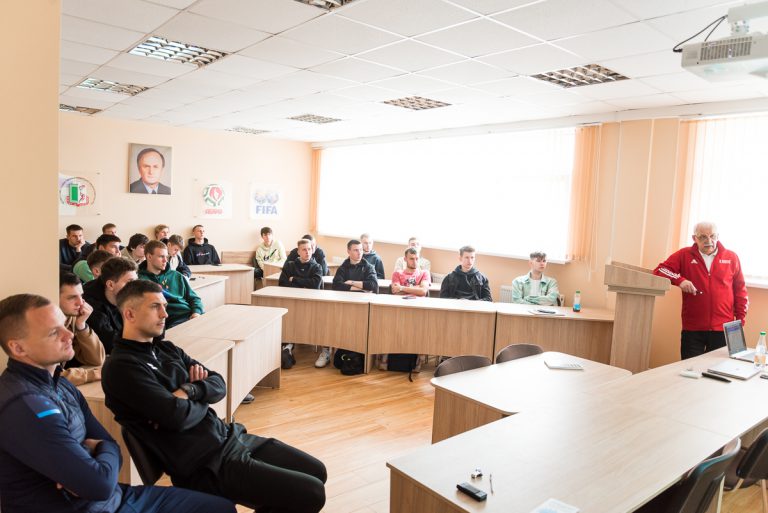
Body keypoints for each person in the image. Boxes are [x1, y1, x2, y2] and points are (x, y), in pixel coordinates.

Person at [102, 280, 327, 513]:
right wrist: (200, 397)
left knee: (317, 471)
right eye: (155, 307)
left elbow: (219, 384)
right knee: (311, 493)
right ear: (129, 314)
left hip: (228, 437)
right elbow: (176, 416)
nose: (165, 314)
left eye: (165, 306)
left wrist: (191, 391)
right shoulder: (121, 368)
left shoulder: (166, 349)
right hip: (205, 463)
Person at [0, 293, 236, 513]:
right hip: (84, 508)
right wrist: (95, 455)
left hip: (115, 498)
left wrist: (97, 451)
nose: (69, 334)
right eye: (53, 332)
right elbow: (99, 484)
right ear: (18, 348)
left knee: (219, 508)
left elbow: (111, 447)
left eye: (64, 324)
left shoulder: (62, 385)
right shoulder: (24, 405)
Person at [653, 221, 748, 359]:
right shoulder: (684, 255)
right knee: (690, 369)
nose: (709, 241)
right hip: (693, 329)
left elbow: (741, 292)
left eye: (712, 236)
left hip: (724, 328)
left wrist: (740, 321)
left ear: (718, 236)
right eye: (703, 237)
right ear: (694, 238)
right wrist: (680, 280)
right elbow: (660, 270)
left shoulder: (731, 257)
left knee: (720, 370)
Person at [316, 240, 379, 368]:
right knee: (330, 321)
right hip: (344, 306)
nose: (359, 253)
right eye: (356, 250)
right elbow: (336, 285)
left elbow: (373, 286)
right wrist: (361, 287)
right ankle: (326, 351)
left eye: (361, 250)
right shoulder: (343, 267)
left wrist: (351, 282)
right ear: (348, 251)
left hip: (362, 307)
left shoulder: (368, 267)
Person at [380, 247, 432, 371]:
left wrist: (403, 288)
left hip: (418, 310)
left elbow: (423, 291)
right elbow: (395, 292)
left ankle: (417, 360)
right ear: (405, 259)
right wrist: (416, 288)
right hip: (399, 310)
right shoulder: (397, 273)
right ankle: (387, 356)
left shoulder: (424, 273)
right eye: (411, 259)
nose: (415, 262)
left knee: (420, 331)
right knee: (390, 327)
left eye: (417, 259)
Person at [278, 239, 323, 369]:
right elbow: (283, 283)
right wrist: (305, 283)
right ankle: (288, 346)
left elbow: (315, 284)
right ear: (298, 251)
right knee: (289, 319)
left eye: (309, 249)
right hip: (291, 301)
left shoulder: (317, 267)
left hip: (311, 303)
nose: (307, 252)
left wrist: (295, 279)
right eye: (304, 249)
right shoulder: (290, 265)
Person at [138, 241, 202, 328]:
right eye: (161, 256)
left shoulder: (176, 275)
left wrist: (196, 312)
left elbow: (194, 298)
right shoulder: (140, 281)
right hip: (171, 321)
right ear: (149, 256)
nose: (165, 260)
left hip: (190, 315)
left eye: (166, 256)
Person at [82, 257, 138, 354]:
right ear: (110, 285)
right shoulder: (92, 305)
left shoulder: (129, 295)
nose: (136, 287)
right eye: (130, 282)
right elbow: (111, 344)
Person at [58, 272, 105, 385]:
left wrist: (81, 326)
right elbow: (50, 377)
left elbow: (96, 359)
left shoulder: (71, 318)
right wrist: (92, 374)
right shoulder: (42, 326)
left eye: (81, 296)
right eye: (72, 297)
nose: (80, 303)